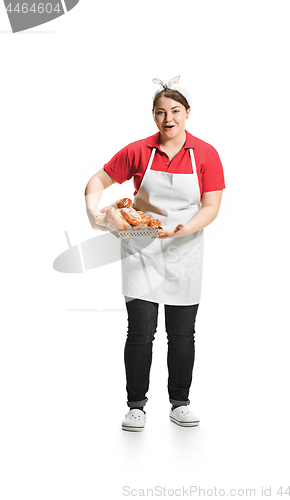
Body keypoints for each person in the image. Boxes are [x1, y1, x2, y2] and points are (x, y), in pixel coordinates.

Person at [85, 76, 225, 431]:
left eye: (175, 111)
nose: (169, 119)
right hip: (140, 250)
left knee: (182, 335)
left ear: (188, 113)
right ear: (153, 116)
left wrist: (182, 229)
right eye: (161, 112)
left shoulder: (206, 154)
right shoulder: (138, 150)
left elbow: (211, 207)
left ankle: (180, 402)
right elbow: (97, 181)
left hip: (186, 251)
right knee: (140, 332)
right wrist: (95, 214)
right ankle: (136, 406)